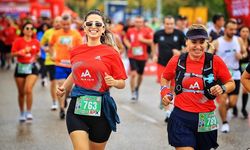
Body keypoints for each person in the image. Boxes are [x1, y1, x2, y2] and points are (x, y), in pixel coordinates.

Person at [56, 9, 127, 150]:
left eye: (97, 24)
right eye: (89, 23)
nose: (93, 26)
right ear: (84, 27)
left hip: (101, 109)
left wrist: (114, 82)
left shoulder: (111, 53)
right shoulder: (76, 51)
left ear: (103, 29)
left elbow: (122, 83)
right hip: (77, 107)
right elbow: (75, 72)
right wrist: (64, 87)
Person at [161, 24, 235, 150]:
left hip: (206, 118)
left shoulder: (215, 61)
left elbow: (231, 83)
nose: (198, 46)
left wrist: (222, 88)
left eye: (202, 42)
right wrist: (165, 93)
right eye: (194, 42)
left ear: (207, 43)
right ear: (187, 42)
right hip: (181, 117)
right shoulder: (177, 60)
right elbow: (165, 78)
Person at [209, 20, 247, 133]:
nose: (233, 31)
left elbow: (245, 52)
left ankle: (226, 109)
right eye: (231, 29)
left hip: (235, 74)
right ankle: (225, 123)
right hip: (221, 75)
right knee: (223, 99)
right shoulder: (217, 42)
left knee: (232, 103)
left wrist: (241, 55)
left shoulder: (238, 40)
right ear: (225, 29)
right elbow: (208, 56)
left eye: (235, 29)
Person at [152, 15, 185, 122]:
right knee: (164, 86)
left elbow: (187, 47)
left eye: (171, 24)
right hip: (162, 64)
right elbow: (154, 43)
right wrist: (154, 55)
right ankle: (168, 112)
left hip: (177, 65)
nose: (169, 26)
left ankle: (166, 101)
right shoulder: (158, 33)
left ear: (174, 24)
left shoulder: (179, 34)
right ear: (164, 24)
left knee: (173, 88)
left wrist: (180, 52)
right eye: (167, 24)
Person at [49, 13, 82, 119]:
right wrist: (52, 54)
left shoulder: (76, 34)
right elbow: (50, 45)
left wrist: (73, 48)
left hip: (72, 65)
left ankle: (66, 97)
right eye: (63, 24)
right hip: (59, 64)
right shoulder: (56, 34)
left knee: (68, 88)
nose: (66, 26)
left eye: (67, 24)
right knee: (61, 85)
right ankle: (62, 108)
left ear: (71, 23)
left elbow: (81, 49)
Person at [11, 22, 40, 122]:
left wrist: (37, 56)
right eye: (27, 28)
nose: (29, 30)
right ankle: (22, 112)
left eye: (32, 29)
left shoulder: (36, 42)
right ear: (23, 30)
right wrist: (21, 52)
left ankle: (28, 112)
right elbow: (12, 54)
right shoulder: (18, 41)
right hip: (20, 67)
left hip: (31, 68)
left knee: (28, 89)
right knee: (21, 92)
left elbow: (37, 53)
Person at [123, 16, 153, 100]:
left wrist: (143, 40)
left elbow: (151, 42)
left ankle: (137, 89)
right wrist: (128, 45)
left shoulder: (147, 31)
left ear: (143, 23)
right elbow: (125, 39)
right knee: (133, 74)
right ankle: (133, 92)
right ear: (134, 22)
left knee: (140, 75)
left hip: (143, 57)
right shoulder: (130, 30)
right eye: (137, 22)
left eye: (140, 22)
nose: (138, 23)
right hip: (132, 55)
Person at [40, 16, 61, 110]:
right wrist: (45, 49)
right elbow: (41, 43)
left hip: (62, 61)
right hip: (50, 60)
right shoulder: (48, 32)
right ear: (53, 23)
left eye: (59, 22)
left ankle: (63, 99)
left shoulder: (66, 33)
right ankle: (54, 101)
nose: (58, 23)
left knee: (61, 83)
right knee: (53, 82)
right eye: (56, 21)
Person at [233, 26, 250, 119]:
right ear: (240, 33)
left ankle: (243, 109)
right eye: (243, 31)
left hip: (247, 68)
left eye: (247, 31)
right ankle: (234, 106)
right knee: (236, 88)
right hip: (238, 67)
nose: (245, 33)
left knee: (245, 89)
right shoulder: (237, 43)